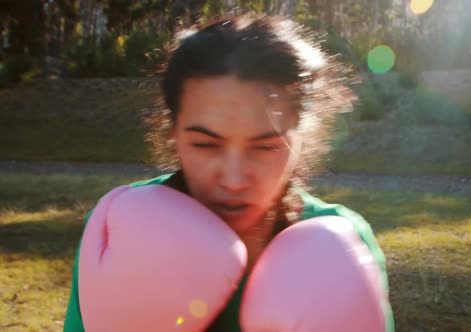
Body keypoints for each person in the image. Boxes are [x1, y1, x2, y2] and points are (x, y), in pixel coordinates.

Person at [63, 13, 394, 332]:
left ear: (302, 136)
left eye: (265, 146)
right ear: (172, 133)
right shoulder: (121, 230)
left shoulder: (343, 248)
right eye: (206, 145)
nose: (234, 180)